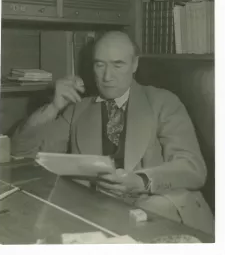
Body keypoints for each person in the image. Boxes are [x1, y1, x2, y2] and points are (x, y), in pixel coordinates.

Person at [11, 31, 214, 234]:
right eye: (100, 65)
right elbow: (23, 152)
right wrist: (54, 107)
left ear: (135, 64)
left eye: (118, 65)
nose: (107, 77)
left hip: (160, 215)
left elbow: (193, 168)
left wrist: (141, 181)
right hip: (98, 218)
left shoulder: (163, 102)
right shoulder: (78, 109)